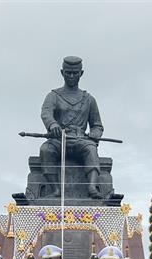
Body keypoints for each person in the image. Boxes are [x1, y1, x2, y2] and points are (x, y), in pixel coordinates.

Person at [40, 56, 104, 199]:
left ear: (81, 74)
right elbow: (46, 113)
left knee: (91, 149)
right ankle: (55, 190)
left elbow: (97, 125)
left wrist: (94, 134)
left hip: (80, 140)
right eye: (68, 72)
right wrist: (53, 124)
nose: (71, 76)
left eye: (75, 73)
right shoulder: (53, 96)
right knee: (46, 149)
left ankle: (92, 187)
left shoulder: (89, 99)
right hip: (59, 139)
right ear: (62, 73)